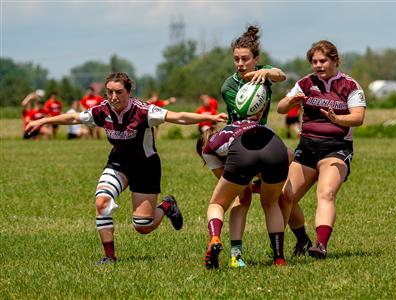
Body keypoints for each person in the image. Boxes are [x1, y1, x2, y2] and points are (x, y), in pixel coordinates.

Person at [26, 72, 227, 265]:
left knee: (143, 226)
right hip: (119, 163)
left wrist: (211, 117)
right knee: (102, 202)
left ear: (128, 92)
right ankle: (109, 257)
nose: (113, 97)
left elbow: (178, 117)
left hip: (146, 166)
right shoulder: (102, 110)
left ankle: (167, 206)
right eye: (109, 92)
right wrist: (42, 120)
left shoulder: (143, 110)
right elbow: (73, 118)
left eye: (119, 92)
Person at [277, 40, 366, 259]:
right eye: (314, 61)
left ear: (335, 60)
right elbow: (280, 108)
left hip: (336, 150)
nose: (318, 65)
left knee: (325, 193)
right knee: (285, 197)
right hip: (306, 149)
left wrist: (337, 118)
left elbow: (358, 118)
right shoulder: (306, 83)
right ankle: (302, 240)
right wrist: (291, 102)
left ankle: (321, 245)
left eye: (323, 60)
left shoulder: (349, 85)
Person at [220, 24, 286, 268]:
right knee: (243, 199)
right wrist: (251, 82)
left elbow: (282, 75)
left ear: (255, 59)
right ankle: (236, 255)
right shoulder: (229, 86)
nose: (240, 63)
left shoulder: (264, 72)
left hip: (263, 135)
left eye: (245, 59)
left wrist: (266, 75)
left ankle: (281, 254)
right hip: (238, 139)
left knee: (279, 196)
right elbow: (244, 112)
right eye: (236, 59)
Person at [198, 95, 289, 269]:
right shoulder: (265, 127)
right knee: (271, 204)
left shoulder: (221, 136)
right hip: (278, 151)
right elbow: (289, 155)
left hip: (242, 155)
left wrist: (242, 185)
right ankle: (279, 258)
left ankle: (219, 241)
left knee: (217, 203)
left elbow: (213, 159)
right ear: (260, 110)